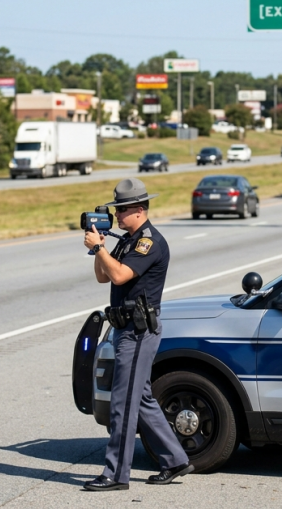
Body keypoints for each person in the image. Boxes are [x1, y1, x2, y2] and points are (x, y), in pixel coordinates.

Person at [81, 178, 192, 492]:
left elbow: (120, 274)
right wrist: (100, 247)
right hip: (126, 329)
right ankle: (175, 459)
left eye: (122, 210)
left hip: (139, 331)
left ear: (140, 209)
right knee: (140, 399)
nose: (117, 215)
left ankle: (116, 474)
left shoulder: (149, 242)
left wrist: (100, 248)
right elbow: (104, 277)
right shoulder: (128, 240)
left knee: (122, 402)